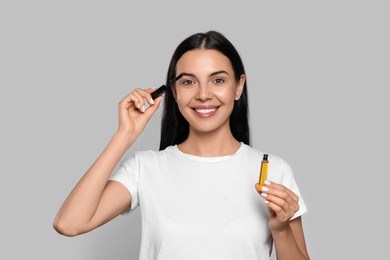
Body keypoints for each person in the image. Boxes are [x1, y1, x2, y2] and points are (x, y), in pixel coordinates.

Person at [53, 31, 310, 260]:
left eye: (218, 80)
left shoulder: (273, 169)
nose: (203, 94)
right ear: (174, 92)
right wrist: (125, 134)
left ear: (238, 86)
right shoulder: (146, 168)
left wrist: (280, 229)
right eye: (188, 82)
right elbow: (69, 223)